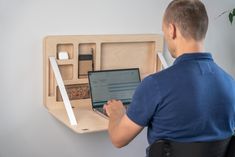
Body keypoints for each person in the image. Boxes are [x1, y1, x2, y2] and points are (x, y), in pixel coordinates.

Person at [103, 0, 235, 156]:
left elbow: (118, 139)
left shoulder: (154, 85)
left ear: (172, 30)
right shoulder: (230, 83)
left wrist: (116, 112)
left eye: (164, 31)